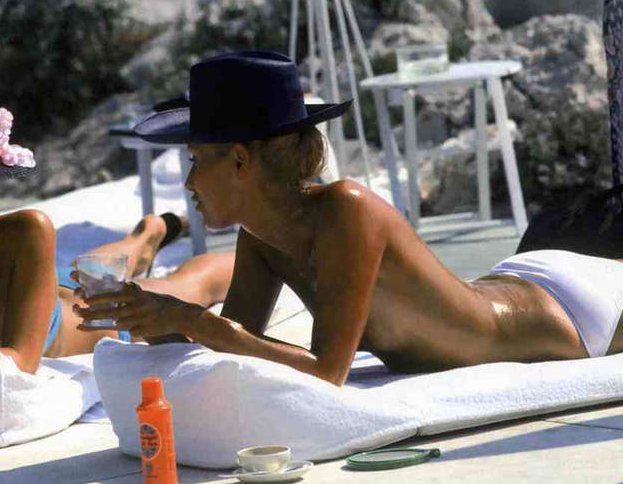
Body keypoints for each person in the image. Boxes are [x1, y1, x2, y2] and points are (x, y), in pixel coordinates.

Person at [76, 50, 623, 386]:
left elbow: (324, 372)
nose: (190, 183)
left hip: (570, 312)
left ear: (241, 160)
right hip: (514, 280)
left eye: (196, 162)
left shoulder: (347, 209)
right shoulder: (261, 238)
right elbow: (236, 342)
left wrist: (192, 318)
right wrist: (147, 318)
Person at [0, 104, 233, 429]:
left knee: (194, 285)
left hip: (98, 315)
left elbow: (20, 362)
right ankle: (147, 235)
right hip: (54, 284)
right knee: (90, 267)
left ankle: (156, 235)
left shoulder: (26, 231)